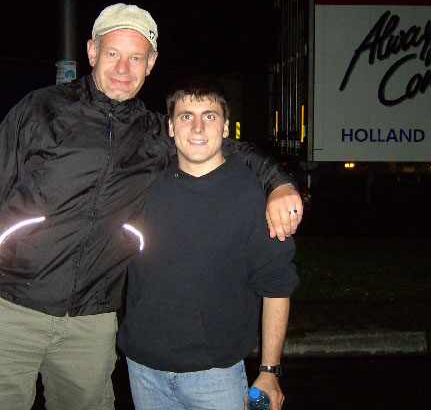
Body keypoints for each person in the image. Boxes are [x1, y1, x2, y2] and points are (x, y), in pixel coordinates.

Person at [0, 3, 302, 410]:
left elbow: (220, 145)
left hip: (92, 324)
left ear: (151, 63)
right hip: (9, 310)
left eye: (135, 57)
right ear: (92, 51)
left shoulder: (153, 132)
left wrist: (279, 183)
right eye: (113, 53)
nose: (122, 68)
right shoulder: (40, 110)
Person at [117, 77, 298, 410]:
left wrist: (269, 370)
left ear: (226, 127)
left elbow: (276, 286)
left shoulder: (253, 195)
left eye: (209, 116)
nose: (197, 127)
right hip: (142, 369)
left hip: (216, 378)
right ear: (171, 127)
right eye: (186, 116)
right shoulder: (144, 185)